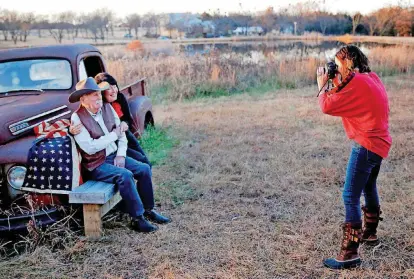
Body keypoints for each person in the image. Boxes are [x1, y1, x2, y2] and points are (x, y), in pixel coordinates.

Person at [317, 45, 392, 269]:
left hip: (367, 144)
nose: (335, 68)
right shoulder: (370, 77)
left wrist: (322, 86)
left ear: (347, 64)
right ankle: (369, 234)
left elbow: (327, 106)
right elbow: (349, 94)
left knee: (350, 195)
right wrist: (337, 81)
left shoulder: (357, 83)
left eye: (337, 65)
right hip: (380, 142)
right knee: (369, 187)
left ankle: (350, 253)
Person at [69, 77, 170, 233]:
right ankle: (138, 218)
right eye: (94, 94)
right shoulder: (77, 118)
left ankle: (149, 209)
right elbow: (90, 148)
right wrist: (113, 135)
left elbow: (121, 134)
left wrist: (121, 154)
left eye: (99, 93)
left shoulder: (107, 108)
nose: (99, 97)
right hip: (97, 164)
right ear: (83, 98)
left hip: (114, 155)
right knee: (125, 175)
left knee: (143, 168)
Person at [70, 72, 151, 167]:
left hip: (123, 133)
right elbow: (84, 117)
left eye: (115, 86)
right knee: (133, 162)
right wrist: (70, 130)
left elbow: (128, 118)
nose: (114, 90)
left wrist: (124, 123)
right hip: (110, 141)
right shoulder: (98, 104)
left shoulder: (120, 98)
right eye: (109, 88)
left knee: (142, 158)